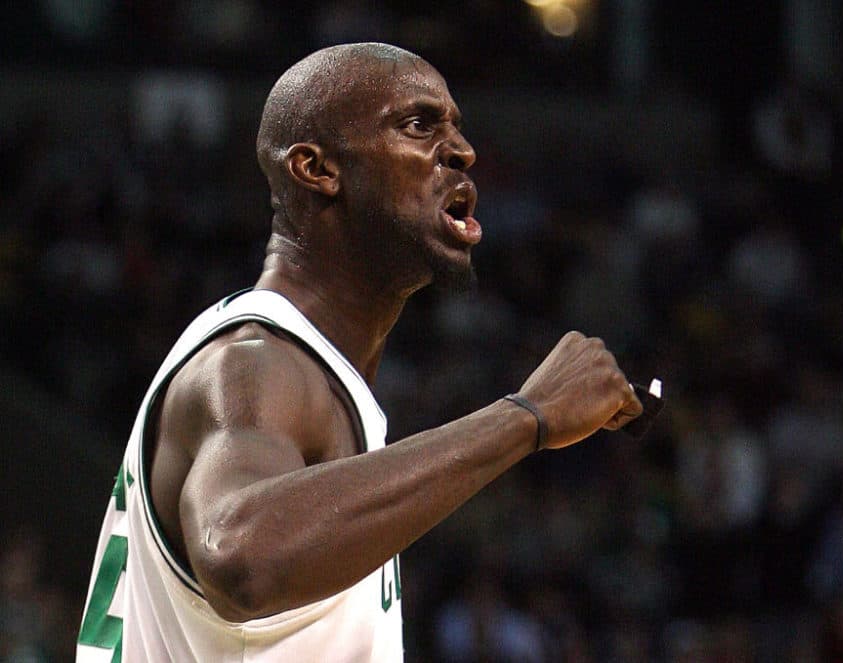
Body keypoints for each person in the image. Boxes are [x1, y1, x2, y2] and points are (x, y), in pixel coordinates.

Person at [76, 42, 643, 662]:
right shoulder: (252, 363)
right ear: (316, 169)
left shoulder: (312, 373)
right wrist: (525, 416)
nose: (462, 151)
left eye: (456, 126)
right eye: (419, 125)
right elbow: (238, 555)